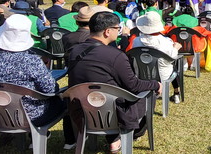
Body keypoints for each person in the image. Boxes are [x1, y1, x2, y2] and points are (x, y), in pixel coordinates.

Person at [0, 15, 75, 149]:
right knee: (65, 100)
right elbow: (50, 89)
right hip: (33, 116)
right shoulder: (32, 62)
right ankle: (70, 142)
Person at [68, 12, 161, 152]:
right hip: (113, 114)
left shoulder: (74, 51)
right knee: (148, 94)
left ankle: (113, 139)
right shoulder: (116, 55)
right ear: (107, 31)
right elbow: (133, 85)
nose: (119, 31)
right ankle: (132, 134)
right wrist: (155, 84)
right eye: (118, 28)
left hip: (81, 111)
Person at [131, 11, 182, 103]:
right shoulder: (166, 41)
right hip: (162, 75)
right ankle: (176, 93)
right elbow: (173, 57)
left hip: (141, 73)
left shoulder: (136, 41)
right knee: (174, 67)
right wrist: (176, 48)